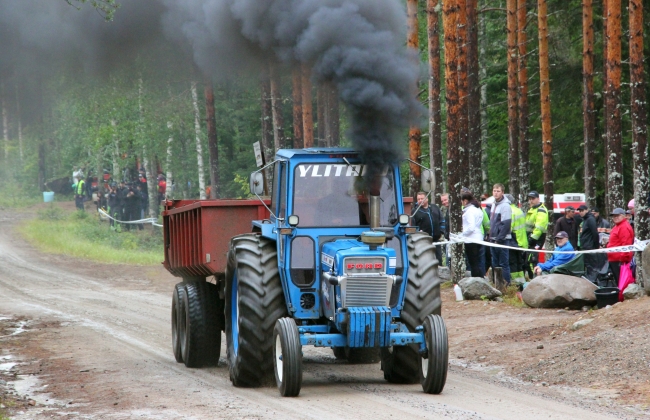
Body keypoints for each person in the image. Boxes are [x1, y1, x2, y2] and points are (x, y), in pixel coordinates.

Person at [488, 183, 512, 284]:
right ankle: (497, 284)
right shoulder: (494, 204)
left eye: (498, 191)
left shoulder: (505, 206)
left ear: (502, 192)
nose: (496, 193)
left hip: (502, 240)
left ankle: (506, 284)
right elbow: (493, 223)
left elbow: (506, 224)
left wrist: (499, 239)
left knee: (503, 264)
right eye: (494, 191)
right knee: (495, 263)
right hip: (493, 238)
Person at [412, 192, 443, 264]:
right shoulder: (414, 211)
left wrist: (441, 231)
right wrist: (419, 232)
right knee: (426, 261)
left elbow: (442, 220)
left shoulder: (435, 208)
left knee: (439, 260)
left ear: (427, 199)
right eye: (418, 199)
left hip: (436, 240)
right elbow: (413, 226)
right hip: (424, 241)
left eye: (422, 198)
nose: (420, 200)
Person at [605, 208, 634, 284]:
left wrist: (623, 259)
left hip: (620, 260)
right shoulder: (617, 226)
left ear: (624, 216)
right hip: (614, 259)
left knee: (623, 282)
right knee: (619, 281)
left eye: (617, 215)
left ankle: (623, 295)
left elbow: (626, 244)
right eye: (614, 216)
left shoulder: (624, 227)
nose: (615, 217)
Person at [461, 191, 485, 277]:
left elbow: (471, 227)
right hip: (478, 238)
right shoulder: (478, 209)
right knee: (478, 262)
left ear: (465, 201)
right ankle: (481, 279)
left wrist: (462, 234)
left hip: (471, 239)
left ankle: (476, 281)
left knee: (473, 263)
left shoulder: (469, 211)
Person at [525, 191, 548, 276]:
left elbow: (539, 227)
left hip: (536, 239)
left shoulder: (541, 210)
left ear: (538, 199)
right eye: (530, 199)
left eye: (533, 198)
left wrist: (532, 239)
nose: (531, 201)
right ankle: (533, 279)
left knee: (532, 260)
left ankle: (534, 279)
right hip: (531, 237)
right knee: (528, 260)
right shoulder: (533, 209)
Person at [506, 194, 527, 283]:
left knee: (512, 263)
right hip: (521, 241)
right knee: (519, 264)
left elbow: (508, 228)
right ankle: (521, 282)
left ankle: (515, 284)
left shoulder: (509, 211)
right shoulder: (518, 210)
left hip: (513, 241)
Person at [577, 204, 603, 279]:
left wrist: (596, 246)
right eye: (579, 211)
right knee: (588, 264)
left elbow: (595, 233)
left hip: (590, 246)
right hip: (586, 246)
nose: (580, 212)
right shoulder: (586, 219)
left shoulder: (590, 219)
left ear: (586, 210)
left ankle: (593, 279)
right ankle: (590, 278)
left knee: (592, 265)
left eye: (582, 211)